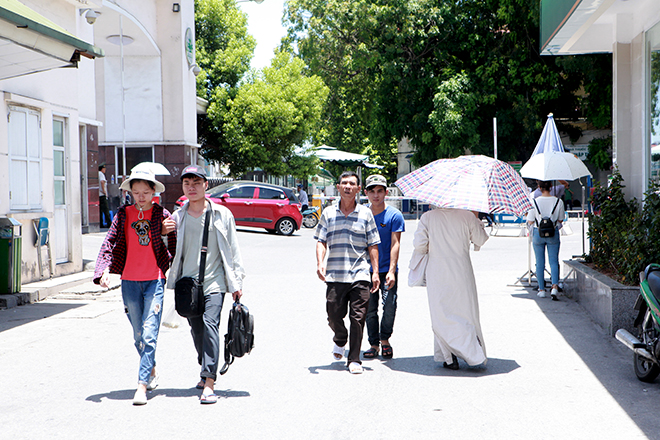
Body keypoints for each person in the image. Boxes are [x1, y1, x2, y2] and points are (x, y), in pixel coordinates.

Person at [93, 169, 176, 405]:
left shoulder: (162, 214)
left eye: (145, 192)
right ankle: (151, 369)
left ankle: (141, 386)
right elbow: (109, 242)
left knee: (150, 334)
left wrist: (164, 233)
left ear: (153, 192)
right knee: (138, 334)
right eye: (136, 192)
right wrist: (104, 271)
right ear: (129, 192)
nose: (140, 197)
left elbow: (174, 243)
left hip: (155, 279)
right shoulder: (123, 214)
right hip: (129, 281)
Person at [166, 165, 245, 404]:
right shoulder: (176, 217)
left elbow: (233, 248)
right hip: (187, 284)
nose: (191, 187)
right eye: (187, 183)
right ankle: (205, 364)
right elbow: (167, 250)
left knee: (210, 323)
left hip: (215, 281)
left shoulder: (222, 214)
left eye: (196, 183)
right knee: (197, 329)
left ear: (205, 185)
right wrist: (162, 232)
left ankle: (209, 380)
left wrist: (237, 281)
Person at [315, 171, 380, 374]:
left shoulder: (366, 214)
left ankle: (354, 359)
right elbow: (321, 241)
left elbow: (373, 244)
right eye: (344, 183)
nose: (348, 186)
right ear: (338, 186)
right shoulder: (327, 213)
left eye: (352, 183)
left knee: (358, 317)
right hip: (335, 274)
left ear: (358, 189)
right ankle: (340, 338)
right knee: (333, 315)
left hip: (360, 273)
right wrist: (320, 263)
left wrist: (375, 272)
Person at [413, 207, 489, 370]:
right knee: (466, 313)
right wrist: (476, 219)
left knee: (441, 314)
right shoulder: (467, 216)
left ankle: (449, 357)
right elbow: (480, 239)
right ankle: (472, 353)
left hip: (437, 271)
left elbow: (419, 245)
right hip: (462, 270)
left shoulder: (428, 217)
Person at [362, 174, 405, 360]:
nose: (376, 195)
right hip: (366, 270)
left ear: (386, 192)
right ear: (366, 193)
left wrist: (391, 271)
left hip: (388, 270)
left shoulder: (394, 215)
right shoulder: (362, 214)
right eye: (372, 191)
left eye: (380, 191)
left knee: (390, 306)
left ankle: (385, 339)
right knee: (369, 309)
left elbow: (396, 244)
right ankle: (374, 344)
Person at [527, 180, 565, 300]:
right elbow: (560, 220)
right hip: (553, 233)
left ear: (539, 187)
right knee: (553, 261)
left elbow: (530, 221)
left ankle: (541, 289)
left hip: (538, 234)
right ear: (550, 187)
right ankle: (554, 287)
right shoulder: (558, 201)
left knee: (539, 262)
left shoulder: (534, 202)